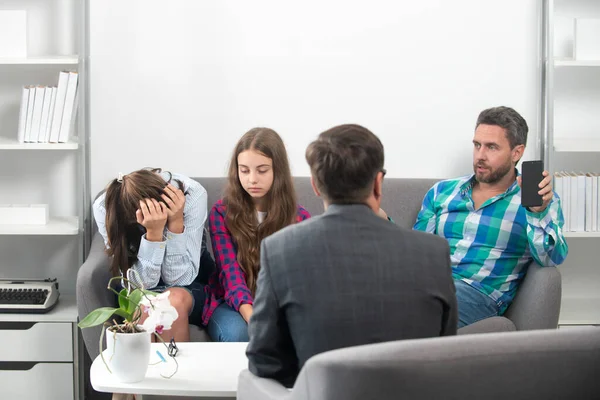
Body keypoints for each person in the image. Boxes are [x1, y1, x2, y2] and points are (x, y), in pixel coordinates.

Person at [246, 124, 457, 387]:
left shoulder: (279, 249)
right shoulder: (434, 252)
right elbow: (447, 353)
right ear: (378, 183)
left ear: (315, 185)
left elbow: (263, 359)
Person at [414, 106, 568, 328]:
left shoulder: (538, 201)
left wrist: (538, 214)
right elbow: (417, 249)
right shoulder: (442, 192)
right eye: (477, 145)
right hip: (427, 285)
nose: (480, 156)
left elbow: (550, 259)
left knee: (413, 315)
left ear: (517, 152)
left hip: (477, 294)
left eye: (492, 147)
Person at [203, 128, 311, 342]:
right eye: (244, 170)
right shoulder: (221, 213)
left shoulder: (300, 219)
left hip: (277, 305)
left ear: (277, 171)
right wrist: (255, 320)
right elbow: (230, 275)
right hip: (232, 304)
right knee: (239, 334)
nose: (252, 179)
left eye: (262, 170)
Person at [93, 168, 208, 342]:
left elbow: (179, 279)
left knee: (171, 304)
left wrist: (175, 222)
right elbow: (138, 286)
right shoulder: (105, 207)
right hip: (138, 285)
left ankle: (174, 369)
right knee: (144, 307)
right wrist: (153, 234)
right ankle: (148, 369)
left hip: (187, 283)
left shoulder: (192, 194)